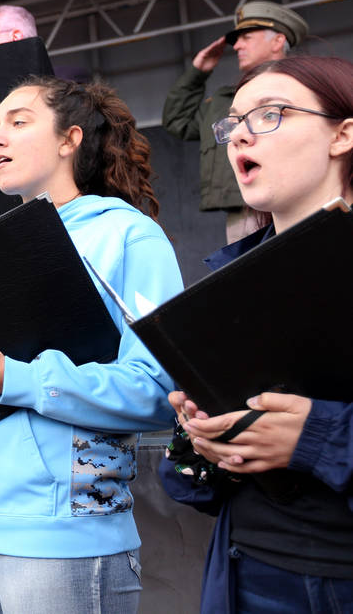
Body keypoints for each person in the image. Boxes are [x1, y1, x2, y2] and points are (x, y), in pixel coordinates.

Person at [0, 77, 183, 614]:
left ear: (70, 139)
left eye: (17, 121)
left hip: (61, 530)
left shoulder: (129, 236)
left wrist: (14, 377)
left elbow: (160, 391)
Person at [159, 56, 353, 613]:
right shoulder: (226, 280)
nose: (239, 133)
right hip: (243, 569)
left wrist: (317, 437)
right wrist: (198, 436)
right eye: (233, 121)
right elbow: (192, 480)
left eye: (270, 115)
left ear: (342, 134)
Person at [162, 0, 308, 242]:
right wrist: (198, 72)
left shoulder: (308, 87)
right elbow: (178, 121)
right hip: (245, 212)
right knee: (253, 278)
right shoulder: (225, 101)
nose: (237, 45)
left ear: (278, 40)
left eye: (247, 37)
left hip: (301, 200)